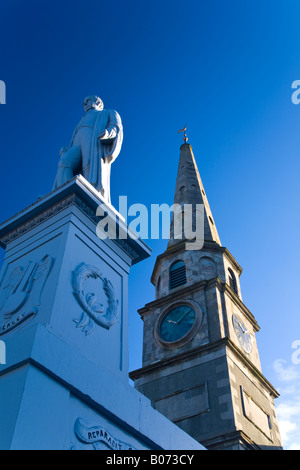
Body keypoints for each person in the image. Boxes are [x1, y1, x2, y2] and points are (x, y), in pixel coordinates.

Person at [53, 95, 123, 203]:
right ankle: (65, 194)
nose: (85, 104)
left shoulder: (108, 112)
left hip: (94, 136)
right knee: (64, 162)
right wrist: (67, 149)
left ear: (98, 102)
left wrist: (109, 133)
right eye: (84, 103)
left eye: (88, 100)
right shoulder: (81, 121)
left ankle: (89, 194)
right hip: (78, 140)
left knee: (88, 165)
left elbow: (116, 126)